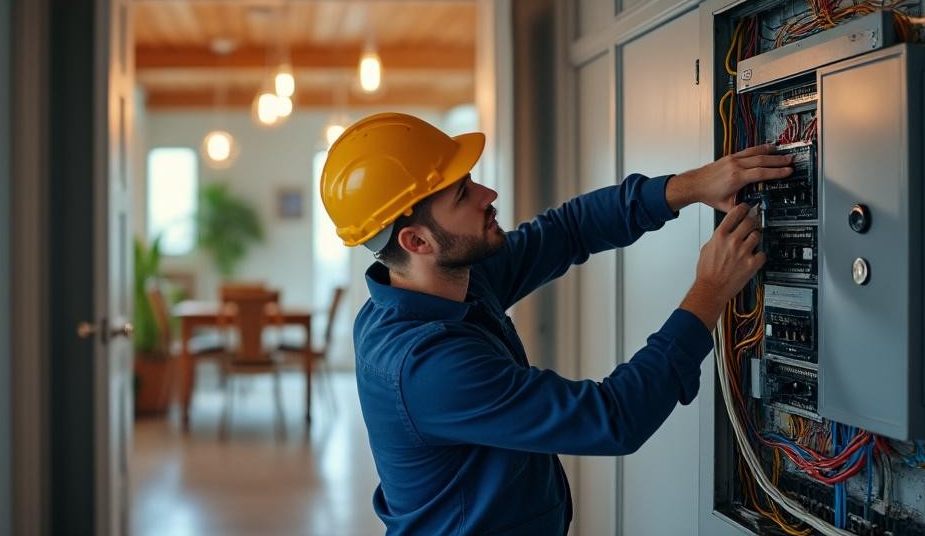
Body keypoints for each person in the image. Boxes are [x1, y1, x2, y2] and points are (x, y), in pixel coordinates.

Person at [318, 112, 792, 535]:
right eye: (463, 194)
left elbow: (567, 230)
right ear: (417, 240)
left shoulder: (442, 282)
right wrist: (709, 291)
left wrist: (692, 186)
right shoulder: (427, 366)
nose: (489, 194)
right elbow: (613, 419)